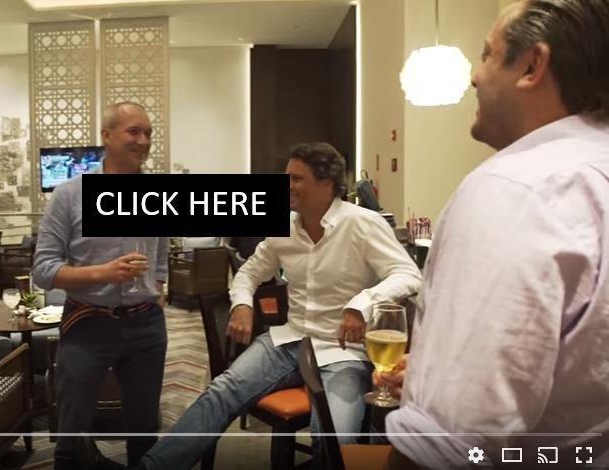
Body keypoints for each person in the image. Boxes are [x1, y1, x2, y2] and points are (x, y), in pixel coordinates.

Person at [82, 142, 423, 470]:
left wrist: (361, 304)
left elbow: (408, 274)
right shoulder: (283, 226)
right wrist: (242, 304)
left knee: (334, 438)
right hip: (290, 342)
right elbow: (248, 273)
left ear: (327, 182)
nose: (286, 186)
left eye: (296, 178)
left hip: (342, 352)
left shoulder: (362, 223)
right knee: (221, 392)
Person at [376, 1, 609, 468]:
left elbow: (448, 448)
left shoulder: (514, 190)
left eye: (486, 54)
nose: (474, 77)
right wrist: (435, 374)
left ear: (532, 65)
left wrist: (439, 404)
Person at [32, 101, 169, 469]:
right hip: (87, 323)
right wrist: (103, 273)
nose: (143, 141)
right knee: (71, 435)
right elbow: (43, 270)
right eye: (134, 132)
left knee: (144, 432)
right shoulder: (69, 195)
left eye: (148, 133)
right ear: (107, 136)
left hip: (146, 326)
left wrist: (157, 286)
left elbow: (161, 256)